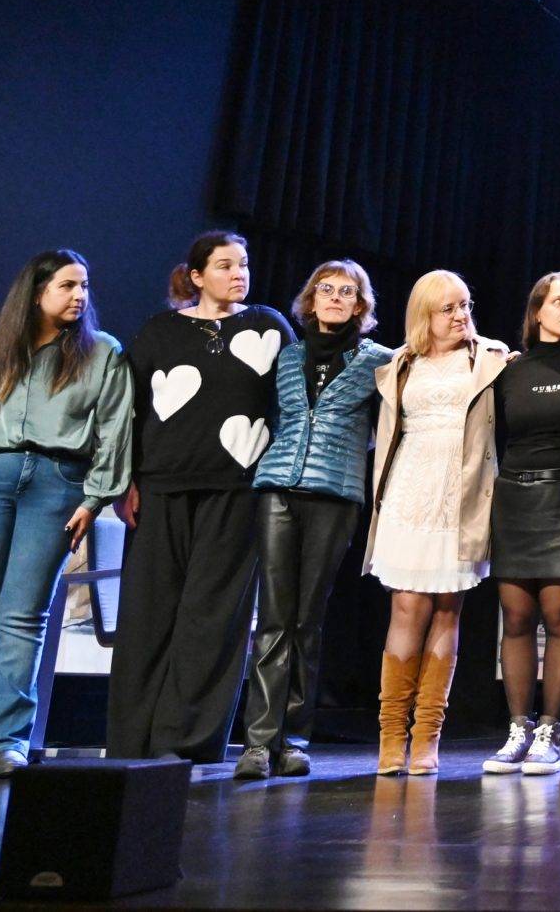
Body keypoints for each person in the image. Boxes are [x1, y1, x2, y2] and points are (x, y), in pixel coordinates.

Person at [0, 251, 132, 779]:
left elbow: (115, 430)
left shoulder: (102, 352)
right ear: (37, 292)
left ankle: (8, 744)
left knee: (23, 615)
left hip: (58, 483)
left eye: (84, 286)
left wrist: (94, 499)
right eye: (67, 286)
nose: (79, 296)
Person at [108, 231, 292, 763]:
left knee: (213, 619)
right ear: (196, 276)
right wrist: (125, 481)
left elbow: (294, 399)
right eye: (225, 265)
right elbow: (127, 412)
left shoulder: (268, 326)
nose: (239, 274)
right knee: (148, 616)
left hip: (236, 491)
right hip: (160, 489)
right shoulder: (159, 331)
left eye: (244, 264)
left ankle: (185, 742)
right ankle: (132, 741)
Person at [235, 260, 394, 780]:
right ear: (311, 298)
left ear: (360, 305)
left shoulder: (377, 360)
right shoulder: (287, 355)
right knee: (273, 617)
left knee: (307, 619)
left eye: (347, 292)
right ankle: (259, 743)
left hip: (335, 494)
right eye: (326, 289)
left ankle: (295, 739)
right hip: (278, 488)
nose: (335, 298)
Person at [366, 270, 507, 776]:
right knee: (406, 608)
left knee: (448, 610)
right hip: (410, 493)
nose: (460, 315)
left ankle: (427, 737)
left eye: (464, 305)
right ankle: (390, 737)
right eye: (448, 308)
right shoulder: (400, 364)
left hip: (461, 496)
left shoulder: (488, 358)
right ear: (424, 315)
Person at [483, 272, 560, 778]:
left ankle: (549, 731)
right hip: (514, 497)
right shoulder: (510, 368)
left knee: (558, 614)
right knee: (515, 617)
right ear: (537, 311)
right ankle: (518, 728)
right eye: (558, 301)